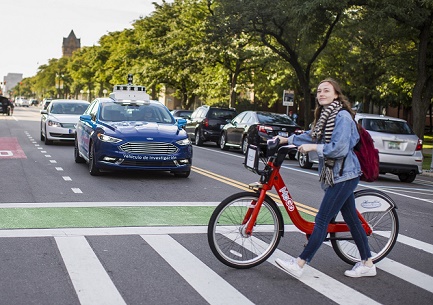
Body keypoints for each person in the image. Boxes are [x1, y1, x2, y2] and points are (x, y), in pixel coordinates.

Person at [274, 78, 376, 278]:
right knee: (352, 220)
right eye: (319, 91)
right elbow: (312, 135)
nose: (321, 94)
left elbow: (338, 148)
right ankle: (368, 263)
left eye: (326, 90)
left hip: (344, 176)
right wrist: (287, 139)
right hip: (336, 175)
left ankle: (300, 263)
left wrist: (314, 148)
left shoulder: (343, 117)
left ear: (336, 94)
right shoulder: (325, 117)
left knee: (321, 220)